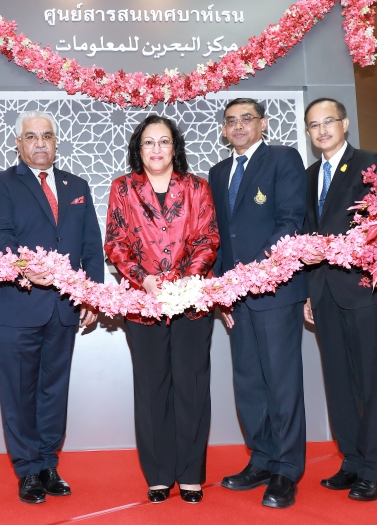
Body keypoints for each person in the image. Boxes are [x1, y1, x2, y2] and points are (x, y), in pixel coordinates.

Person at [0, 110, 104, 504]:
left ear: (56, 143)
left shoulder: (77, 185)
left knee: (54, 389)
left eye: (47, 136)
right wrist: (28, 268)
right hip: (18, 305)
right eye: (31, 136)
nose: (39, 143)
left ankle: (49, 463)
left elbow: (91, 246)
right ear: (18, 143)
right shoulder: (1, 183)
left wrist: (92, 294)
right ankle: (28, 470)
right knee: (19, 391)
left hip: (64, 308)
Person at [104, 115, 220, 505]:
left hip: (191, 303)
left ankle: (190, 475)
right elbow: (116, 243)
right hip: (142, 304)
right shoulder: (122, 188)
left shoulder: (197, 187)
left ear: (175, 147)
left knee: (191, 388)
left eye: (164, 142)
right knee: (152, 391)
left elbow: (208, 239)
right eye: (149, 143)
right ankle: (158, 476)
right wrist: (144, 279)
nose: (156, 149)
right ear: (139, 149)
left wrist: (188, 280)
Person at [208, 98, 308, 509]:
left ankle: (287, 469)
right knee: (248, 382)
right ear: (224, 129)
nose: (238, 126)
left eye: (246, 119)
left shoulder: (283, 160)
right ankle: (262, 458)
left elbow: (290, 221)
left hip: (274, 291)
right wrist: (220, 290)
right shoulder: (216, 173)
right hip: (235, 296)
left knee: (282, 383)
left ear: (262, 124)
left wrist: (256, 273)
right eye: (231, 121)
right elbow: (216, 236)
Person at [300, 98, 377, 502]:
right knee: (337, 380)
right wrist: (307, 290)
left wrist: (336, 248)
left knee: (369, 380)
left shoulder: (372, 164)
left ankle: (374, 469)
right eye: (314, 125)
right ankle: (351, 460)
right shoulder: (306, 177)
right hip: (322, 291)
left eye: (328, 122)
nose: (321, 130)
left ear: (345, 123)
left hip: (361, 288)